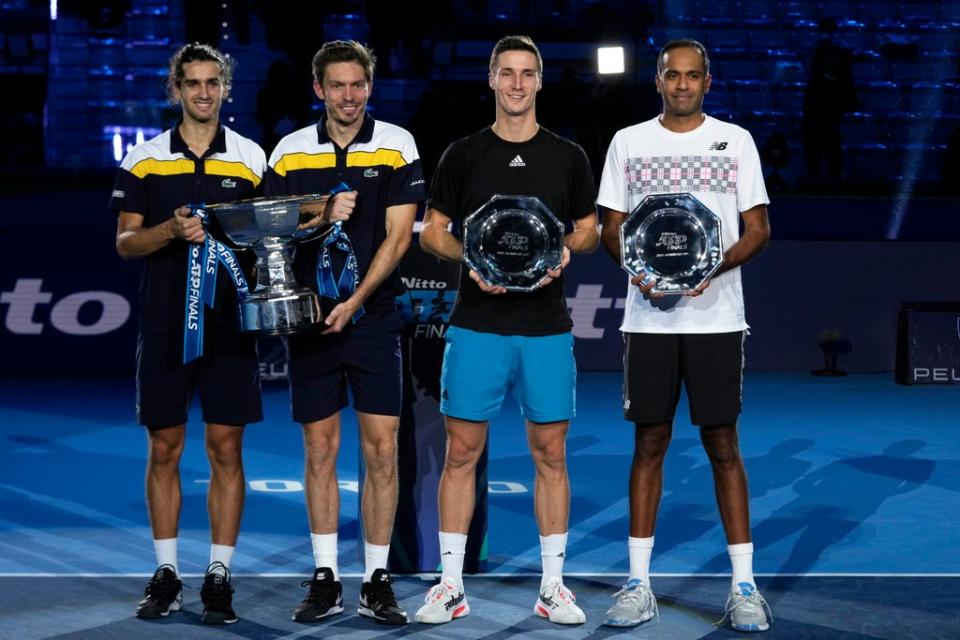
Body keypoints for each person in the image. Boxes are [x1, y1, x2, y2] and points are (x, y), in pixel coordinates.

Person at [415, 35, 600, 626]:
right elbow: (431, 232)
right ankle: (449, 584)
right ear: (491, 80)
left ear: (540, 82)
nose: (517, 84)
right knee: (461, 453)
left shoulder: (568, 156)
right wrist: (469, 258)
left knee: (551, 453)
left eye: (527, 74)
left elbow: (591, 228)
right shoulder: (463, 154)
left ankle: (552, 587)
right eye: (507, 74)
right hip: (477, 323)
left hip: (546, 326)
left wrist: (569, 246)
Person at [597, 39, 773, 632]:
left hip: (718, 318)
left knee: (723, 446)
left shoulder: (737, 140)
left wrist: (707, 270)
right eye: (672, 75)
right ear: (657, 81)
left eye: (692, 76)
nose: (681, 85)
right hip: (647, 319)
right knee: (649, 442)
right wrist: (642, 274)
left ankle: (744, 586)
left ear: (707, 81)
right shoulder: (628, 141)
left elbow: (758, 229)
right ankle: (638, 583)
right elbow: (612, 229)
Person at [263, 40, 424, 626]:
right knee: (320, 448)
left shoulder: (398, 143)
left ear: (369, 88)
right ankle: (327, 576)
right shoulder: (288, 151)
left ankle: (376, 580)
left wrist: (355, 301)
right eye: (338, 86)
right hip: (311, 321)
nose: (349, 96)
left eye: (358, 85)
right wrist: (319, 212)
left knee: (382, 449)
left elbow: (399, 236)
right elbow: (272, 232)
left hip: (374, 317)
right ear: (319, 89)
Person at [110, 42, 266, 625]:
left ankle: (219, 576)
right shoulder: (144, 159)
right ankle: (167, 573)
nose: (203, 93)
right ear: (175, 89)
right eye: (192, 83)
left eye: (212, 83)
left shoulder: (251, 158)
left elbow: (265, 236)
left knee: (226, 449)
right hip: (165, 324)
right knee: (164, 448)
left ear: (225, 88)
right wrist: (170, 231)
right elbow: (126, 243)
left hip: (230, 328)